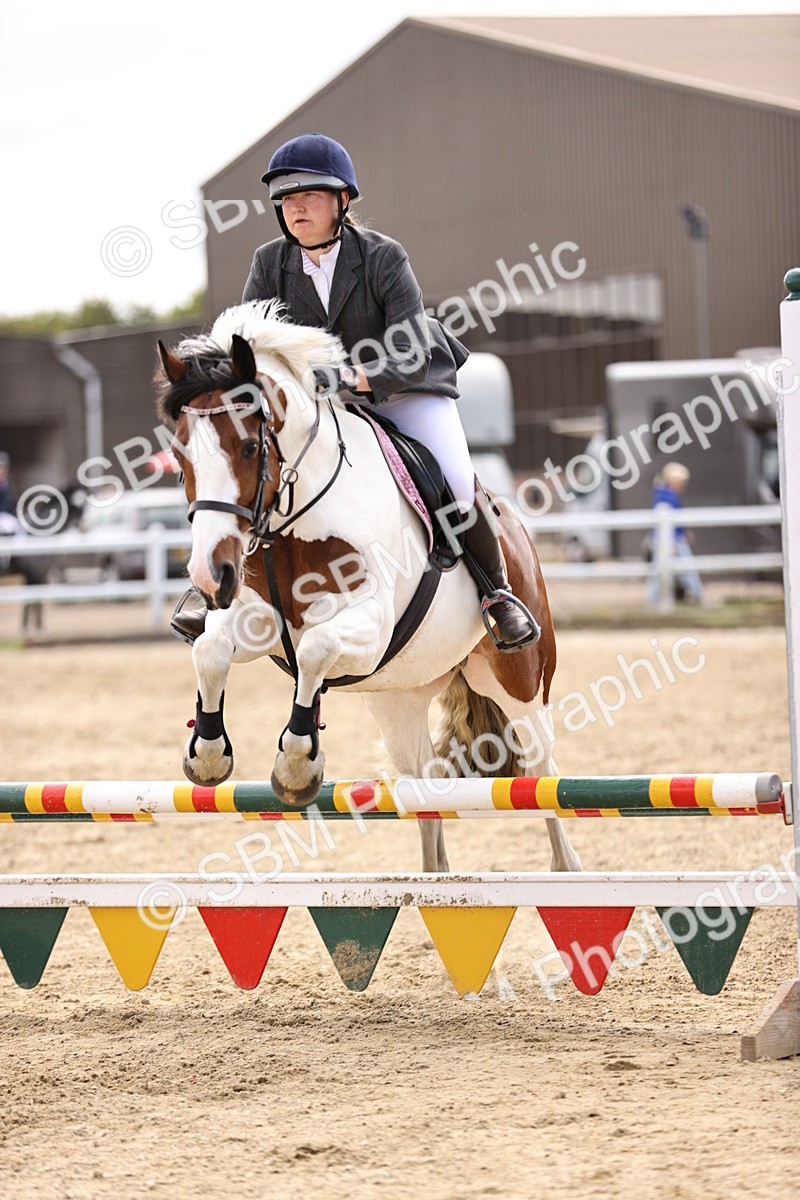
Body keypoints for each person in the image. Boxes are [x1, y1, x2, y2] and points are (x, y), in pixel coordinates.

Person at [172, 133, 537, 650]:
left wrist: (350, 379)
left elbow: (409, 350)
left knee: (454, 478)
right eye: (287, 200)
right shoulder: (269, 263)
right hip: (322, 402)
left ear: (343, 201)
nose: (296, 208)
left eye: (309, 197)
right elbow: (243, 343)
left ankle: (496, 595)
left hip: (402, 388)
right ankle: (220, 588)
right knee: (257, 469)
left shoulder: (384, 257)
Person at [647, 462, 704, 605]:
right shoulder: (666, 496)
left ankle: (653, 602)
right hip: (672, 540)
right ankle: (698, 597)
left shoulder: (664, 493)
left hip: (671, 539)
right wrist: (671, 539)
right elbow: (663, 521)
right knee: (686, 569)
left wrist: (684, 530)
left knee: (659, 572)